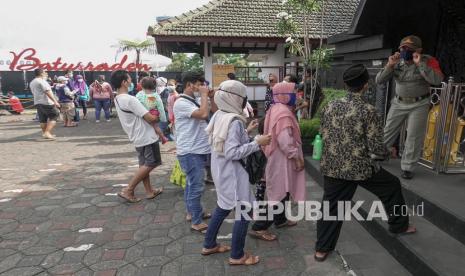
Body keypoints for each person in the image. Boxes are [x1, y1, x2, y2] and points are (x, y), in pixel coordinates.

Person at [315, 64, 417, 262]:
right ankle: (399, 225)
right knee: (391, 186)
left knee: (331, 207)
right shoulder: (369, 110)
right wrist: (389, 152)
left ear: (345, 84)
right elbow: (376, 147)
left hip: (332, 166)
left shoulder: (330, 105)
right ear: (366, 85)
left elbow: (325, 133)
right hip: (359, 168)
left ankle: (321, 249)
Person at [202, 80, 272, 265]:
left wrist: (248, 132)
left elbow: (227, 142)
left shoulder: (220, 114)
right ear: (235, 98)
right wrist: (257, 143)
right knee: (244, 211)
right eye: (243, 98)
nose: (244, 102)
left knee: (223, 206)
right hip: (232, 174)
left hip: (221, 171)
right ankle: (237, 255)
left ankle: (209, 244)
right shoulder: (233, 121)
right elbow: (232, 152)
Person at [376, 35, 444, 179]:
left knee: (413, 136)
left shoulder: (428, 61)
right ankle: (380, 154)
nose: (405, 51)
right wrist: (390, 65)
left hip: (419, 104)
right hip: (399, 102)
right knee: (388, 130)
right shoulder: (396, 61)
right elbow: (379, 80)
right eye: (403, 48)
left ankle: (407, 167)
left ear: (418, 50)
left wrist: (420, 64)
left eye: (409, 49)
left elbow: (437, 80)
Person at [259, 82, 306, 230]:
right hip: (282, 158)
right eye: (293, 93)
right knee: (279, 192)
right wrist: (296, 157)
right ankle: (259, 227)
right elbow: (285, 140)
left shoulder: (276, 108)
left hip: (277, 157)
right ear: (284, 95)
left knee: (283, 189)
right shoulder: (283, 114)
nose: (296, 96)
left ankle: (280, 220)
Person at [173, 72, 217, 232]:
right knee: (197, 186)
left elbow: (213, 112)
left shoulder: (196, 100)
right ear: (190, 85)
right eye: (199, 84)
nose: (202, 87)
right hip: (190, 151)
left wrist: (211, 96)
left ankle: (192, 212)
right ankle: (196, 221)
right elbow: (203, 114)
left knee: (191, 185)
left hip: (199, 149)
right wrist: (205, 95)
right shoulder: (181, 102)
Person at [111, 70, 163, 203]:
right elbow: (150, 118)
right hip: (145, 135)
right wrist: (158, 115)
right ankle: (128, 189)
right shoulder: (130, 99)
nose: (131, 82)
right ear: (124, 82)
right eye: (129, 79)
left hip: (136, 135)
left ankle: (149, 191)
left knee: (144, 164)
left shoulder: (117, 98)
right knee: (153, 162)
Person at [136, 77, 169, 144]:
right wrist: (163, 118)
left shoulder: (139, 94)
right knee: (156, 127)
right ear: (154, 86)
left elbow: (136, 104)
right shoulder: (156, 96)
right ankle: (163, 137)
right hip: (153, 114)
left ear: (142, 85)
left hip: (143, 114)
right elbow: (161, 107)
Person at [30, 69, 61, 140]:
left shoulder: (32, 82)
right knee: (55, 115)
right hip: (46, 102)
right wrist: (55, 101)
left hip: (37, 102)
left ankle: (45, 133)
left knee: (42, 119)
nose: (46, 73)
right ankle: (47, 132)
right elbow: (47, 91)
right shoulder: (42, 81)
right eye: (45, 72)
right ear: (41, 74)